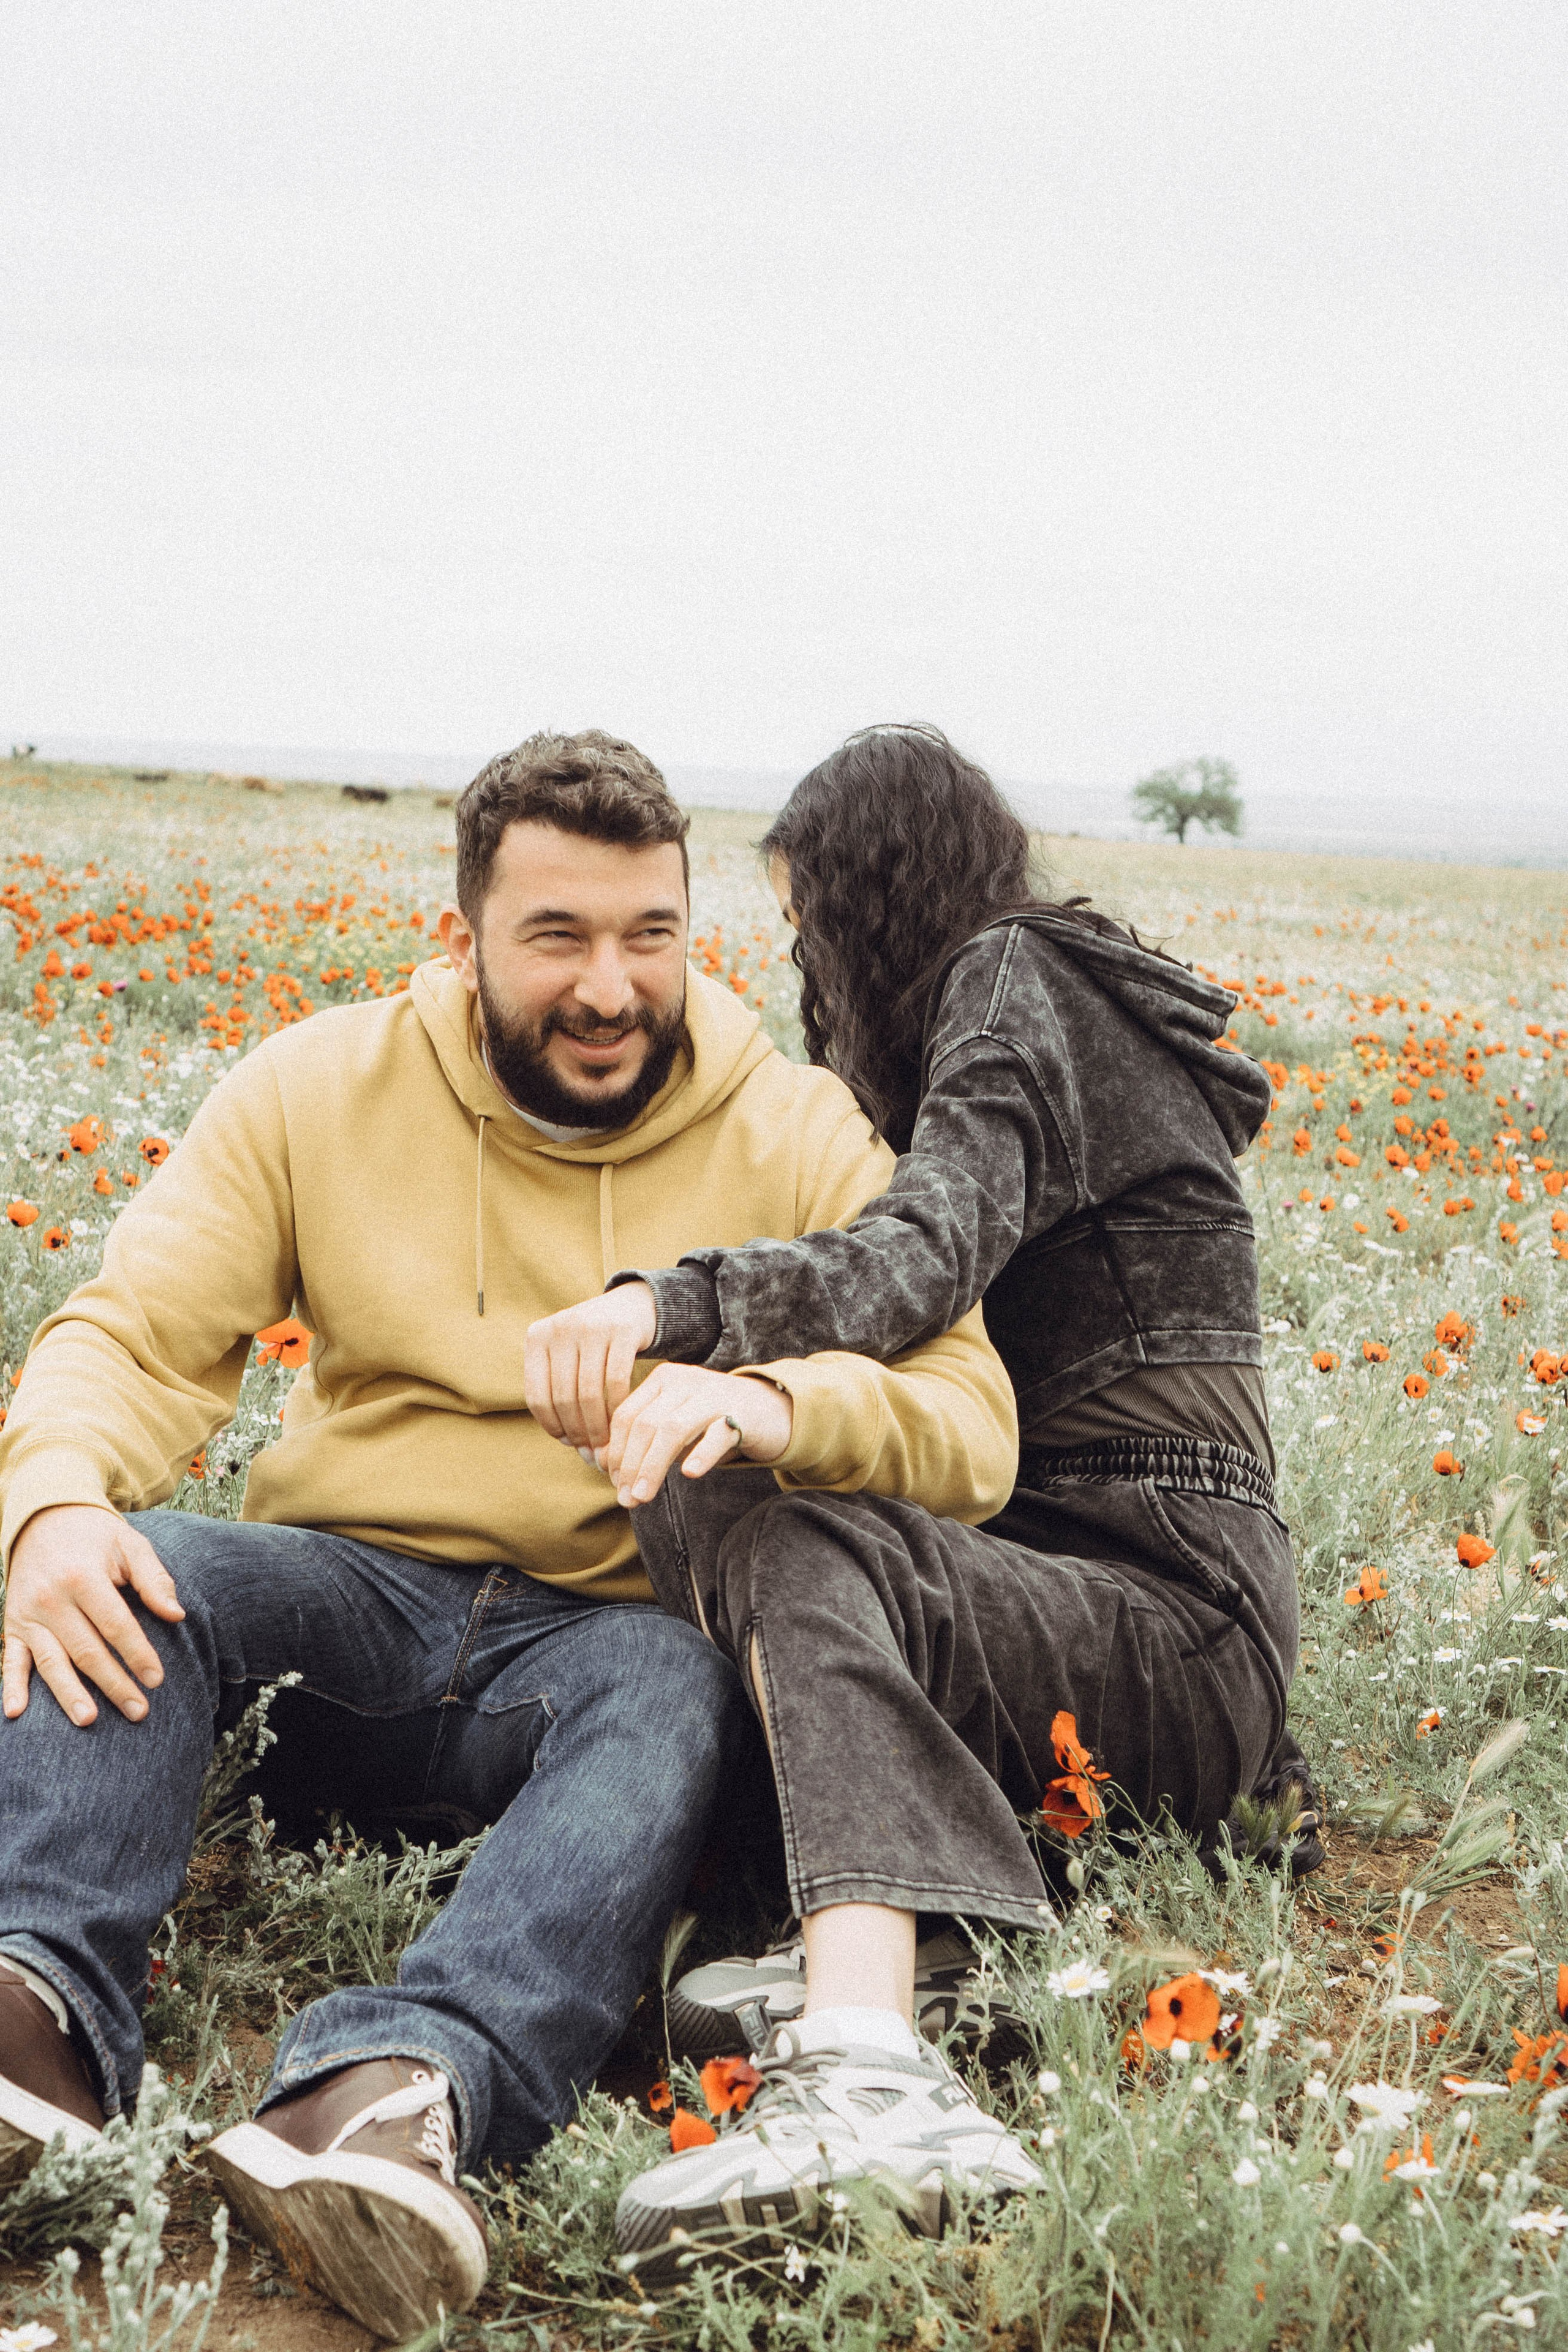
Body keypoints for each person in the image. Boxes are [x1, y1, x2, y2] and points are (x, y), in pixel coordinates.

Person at [0, 731, 1020, 2339]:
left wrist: (773, 1402)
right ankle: (34, 2021)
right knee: (141, 1568)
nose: (609, 987)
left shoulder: (802, 1132)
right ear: (463, 939)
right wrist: (52, 1502)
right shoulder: (317, 1086)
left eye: (649, 936)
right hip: (341, 1606)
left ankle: (396, 2091)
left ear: (693, 934)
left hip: (601, 1649)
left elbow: (972, 1422)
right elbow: (130, 1337)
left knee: (675, 1689)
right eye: (557, 938)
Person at [522, 724, 1318, 2277]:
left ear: (872, 889)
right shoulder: (1029, 1005)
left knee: (796, 1513)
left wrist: (668, 1309)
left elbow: (914, 1260)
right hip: (1105, 1617)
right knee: (713, 1478)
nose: (807, 958)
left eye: (808, 918)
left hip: (1167, 1609)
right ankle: (932, 1951)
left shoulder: (1019, 978)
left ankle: (873, 2074)